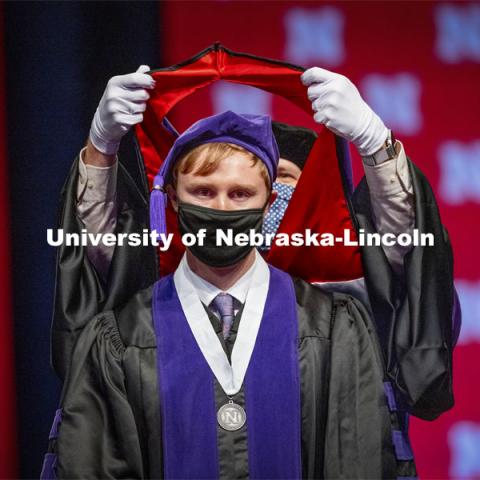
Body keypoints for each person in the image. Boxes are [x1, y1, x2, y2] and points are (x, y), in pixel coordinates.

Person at [44, 52, 457, 478]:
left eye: (242, 193)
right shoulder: (125, 331)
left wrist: (375, 142)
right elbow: (96, 249)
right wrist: (100, 147)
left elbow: (404, 250)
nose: (222, 208)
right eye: (204, 192)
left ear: (271, 202)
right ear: (171, 199)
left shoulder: (338, 322)